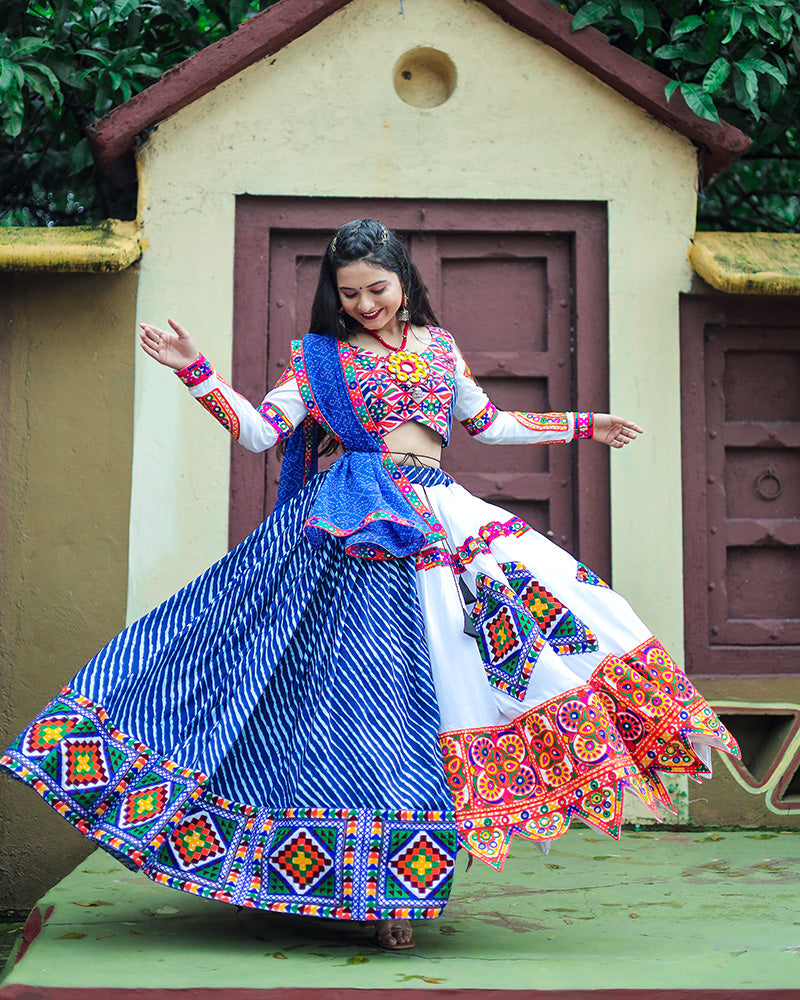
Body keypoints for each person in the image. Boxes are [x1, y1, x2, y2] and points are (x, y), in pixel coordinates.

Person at [2, 218, 739, 951]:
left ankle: (394, 890)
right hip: (348, 539)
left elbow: (488, 424)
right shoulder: (318, 359)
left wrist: (584, 426)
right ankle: (340, 884)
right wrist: (196, 370)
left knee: (503, 660)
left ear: (404, 282)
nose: (364, 305)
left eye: (376, 289)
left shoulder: (440, 347)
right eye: (349, 293)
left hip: (437, 528)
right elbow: (259, 432)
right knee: (346, 708)